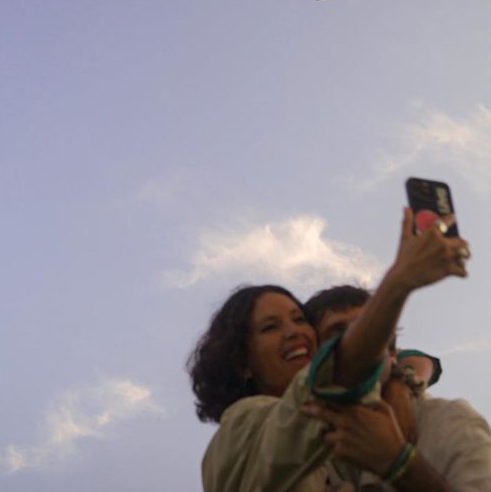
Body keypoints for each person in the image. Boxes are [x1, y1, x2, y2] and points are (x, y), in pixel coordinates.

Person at [188, 209, 471, 491]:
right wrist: (399, 282)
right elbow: (338, 372)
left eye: (299, 319)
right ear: (242, 363)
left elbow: (384, 364)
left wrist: (400, 381)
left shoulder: (338, 441)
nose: (293, 332)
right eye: (269, 327)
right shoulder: (243, 427)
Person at [301, 285, 491, 491]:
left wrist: (399, 463)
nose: (359, 343)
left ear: (392, 354)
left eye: (370, 332)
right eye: (337, 334)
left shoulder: (452, 422)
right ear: (314, 359)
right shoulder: (301, 443)